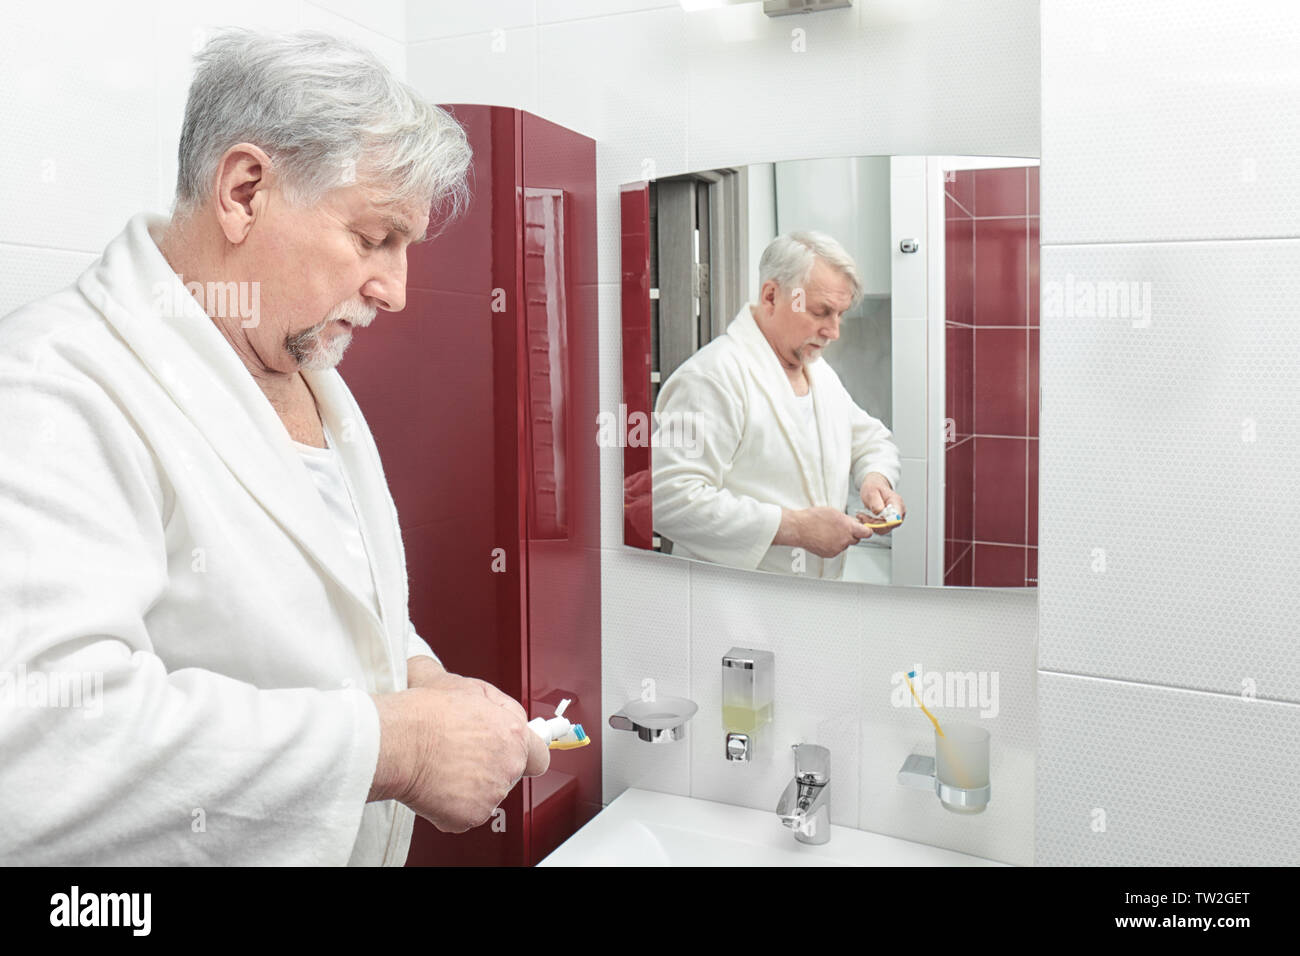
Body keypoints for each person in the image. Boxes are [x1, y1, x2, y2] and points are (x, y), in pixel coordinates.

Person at [0, 29, 547, 866]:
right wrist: (398, 747)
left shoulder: (294, 361)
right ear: (245, 191)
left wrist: (417, 676)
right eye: (374, 239)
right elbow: (44, 749)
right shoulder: (54, 388)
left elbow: (326, 606)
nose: (395, 292)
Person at [651, 231, 905, 580]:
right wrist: (795, 528)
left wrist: (876, 478)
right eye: (821, 312)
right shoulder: (712, 377)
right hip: (734, 607)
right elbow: (669, 500)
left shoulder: (819, 373)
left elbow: (870, 439)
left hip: (806, 605)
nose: (834, 331)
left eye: (841, 315)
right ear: (771, 296)